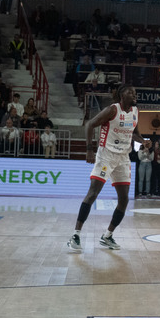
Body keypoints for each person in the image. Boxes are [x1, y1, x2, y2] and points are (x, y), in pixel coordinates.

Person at [67, 84, 143, 252]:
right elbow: (90, 125)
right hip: (106, 155)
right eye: (131, 92)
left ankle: (107, 236)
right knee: (93, 193)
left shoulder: (136, 112)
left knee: (124, 199)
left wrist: (143, 141)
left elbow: (134, 134)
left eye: (135, 92)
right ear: (123, 96)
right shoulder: (112, 110)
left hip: (123, 157)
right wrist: (89, 149)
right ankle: (76, 234)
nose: (134, 94)